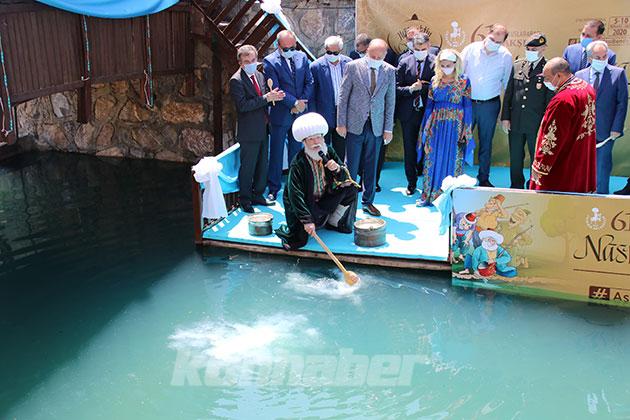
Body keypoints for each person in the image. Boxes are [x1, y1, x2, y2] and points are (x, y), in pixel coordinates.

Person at [275, 113, 360, 250]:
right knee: (299, 241)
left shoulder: (329, 151)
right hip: (308, 205)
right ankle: (311, 222)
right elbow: (295, 196)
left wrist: (337, 169)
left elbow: (346, 177)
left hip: (324, 198)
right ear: (304, 142)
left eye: (319, 137)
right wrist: (306, 220)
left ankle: (334, 222)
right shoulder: (298, 163)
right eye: (311, 139)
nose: (316, 142)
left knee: (350, 188)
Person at [337, 38, 396, 217]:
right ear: (367, 51)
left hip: (376, 126)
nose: (375, 59)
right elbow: (343, 96)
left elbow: (390, 101)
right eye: (373, 55)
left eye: (379, 57)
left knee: (372, 166)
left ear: (384, 55)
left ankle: (368, 202)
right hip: (354, 124)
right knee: (351, 165)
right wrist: (341, 122)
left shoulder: (389, 71)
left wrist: (388, 128)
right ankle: (347, 202)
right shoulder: (353, 66)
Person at [229, 45, 285, 213]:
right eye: (247, 61)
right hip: (249, 132)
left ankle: (258, 194)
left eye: (253, 60)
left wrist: (273, 97)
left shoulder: (259, 75)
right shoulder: (236, 80)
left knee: (262, 165)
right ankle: (245, 200)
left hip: (263, 128)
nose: (252, 63)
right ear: (240, 63)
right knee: (248, 167)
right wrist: (266, 98)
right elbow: (243, 105)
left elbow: (263, 99)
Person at [530, 57, 596, 193]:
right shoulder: (586, 87)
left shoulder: (563, 100)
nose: (545, 81)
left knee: (554, 199)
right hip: (581, 154)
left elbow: (554, 137)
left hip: (564, 162)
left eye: (547, 78)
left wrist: (540, 166)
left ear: (559, 75)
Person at [417, 49, 474, 206]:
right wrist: (426, 128)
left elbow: (467, 106)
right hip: (436, 125)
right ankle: (429, 194)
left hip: (456, 125)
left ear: (456, 64)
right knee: (432, 157)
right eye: (442, 65)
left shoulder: (464, 81)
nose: (445, 68)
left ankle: (450, 196)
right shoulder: (435, 80)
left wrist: (466, 129)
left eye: (448, 65)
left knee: (453, 157)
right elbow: (429, 107)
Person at [263, 30, 314, 201]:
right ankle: (273, 188)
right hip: (281, 114)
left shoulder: (302, 57)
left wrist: (301, 103)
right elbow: (276, 88)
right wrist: (293, 103)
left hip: (300, 113)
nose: (290, 51)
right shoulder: (270, 61)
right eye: (286, 49)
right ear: (278, 46)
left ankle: (295, 186)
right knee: (276, 153)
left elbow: (309, 82)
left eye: (292, 47)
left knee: (297, 152)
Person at [500, 33, 554, 189]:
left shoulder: (548, 68)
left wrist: (546, 122)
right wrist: (505, 117)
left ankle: (533, 185)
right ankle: (516, 185)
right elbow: (509, 93)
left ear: (543, 48)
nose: (530, 51)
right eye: (528, 48)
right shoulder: (518, 65)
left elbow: (550, 99)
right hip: (516, 120)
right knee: (515, 156)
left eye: (534, 49)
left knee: (536, 156)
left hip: (536, 122)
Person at [462, 24, 513, 187]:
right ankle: (456, 176)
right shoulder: (470, 49)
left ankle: (483, 178)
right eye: (492, 39)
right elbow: (459, 75)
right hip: (467, 103)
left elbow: (508, 85)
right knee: (461, 139)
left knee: (486, 143)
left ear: (503, 42)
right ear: (488, 34)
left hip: (490, 105)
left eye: (498, 42)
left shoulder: (506, 56)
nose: (494, 43)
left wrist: (506, 113)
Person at [576, 41, 628, 194]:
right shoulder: (579, 75)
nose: (602, 60)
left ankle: (601, 198)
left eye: (604, 56)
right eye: (598, 57)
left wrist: (617, 128)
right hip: (583, 131)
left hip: (606, 131)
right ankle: (581, 196)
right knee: (581, 166)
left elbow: (622, 103)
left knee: (602, 166)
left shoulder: (618, 73)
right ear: (590, 58)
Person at [395, 33, 436, 196]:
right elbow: (396, 88)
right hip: (409, 114)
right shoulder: (404, 62)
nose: (420, 52)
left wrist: (424, 87)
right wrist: (410, 89)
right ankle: (411, 183)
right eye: (417, 49)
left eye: (423, 49)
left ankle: (429, 182)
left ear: (428, 46)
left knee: (429, 148)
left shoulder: (436, 63)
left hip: (429, 113)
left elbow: (440, 86)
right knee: (409, 148)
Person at [309, 35, 351, 161]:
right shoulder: (315, 66)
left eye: (335, 53)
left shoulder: (349, 64)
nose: (332, 55)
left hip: (343, 114)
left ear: (341, 51)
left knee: (341, 150)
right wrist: (313, 116)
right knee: (322, 150)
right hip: (323, 115)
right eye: (329, 52)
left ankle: (340, 171)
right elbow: (312, 95)